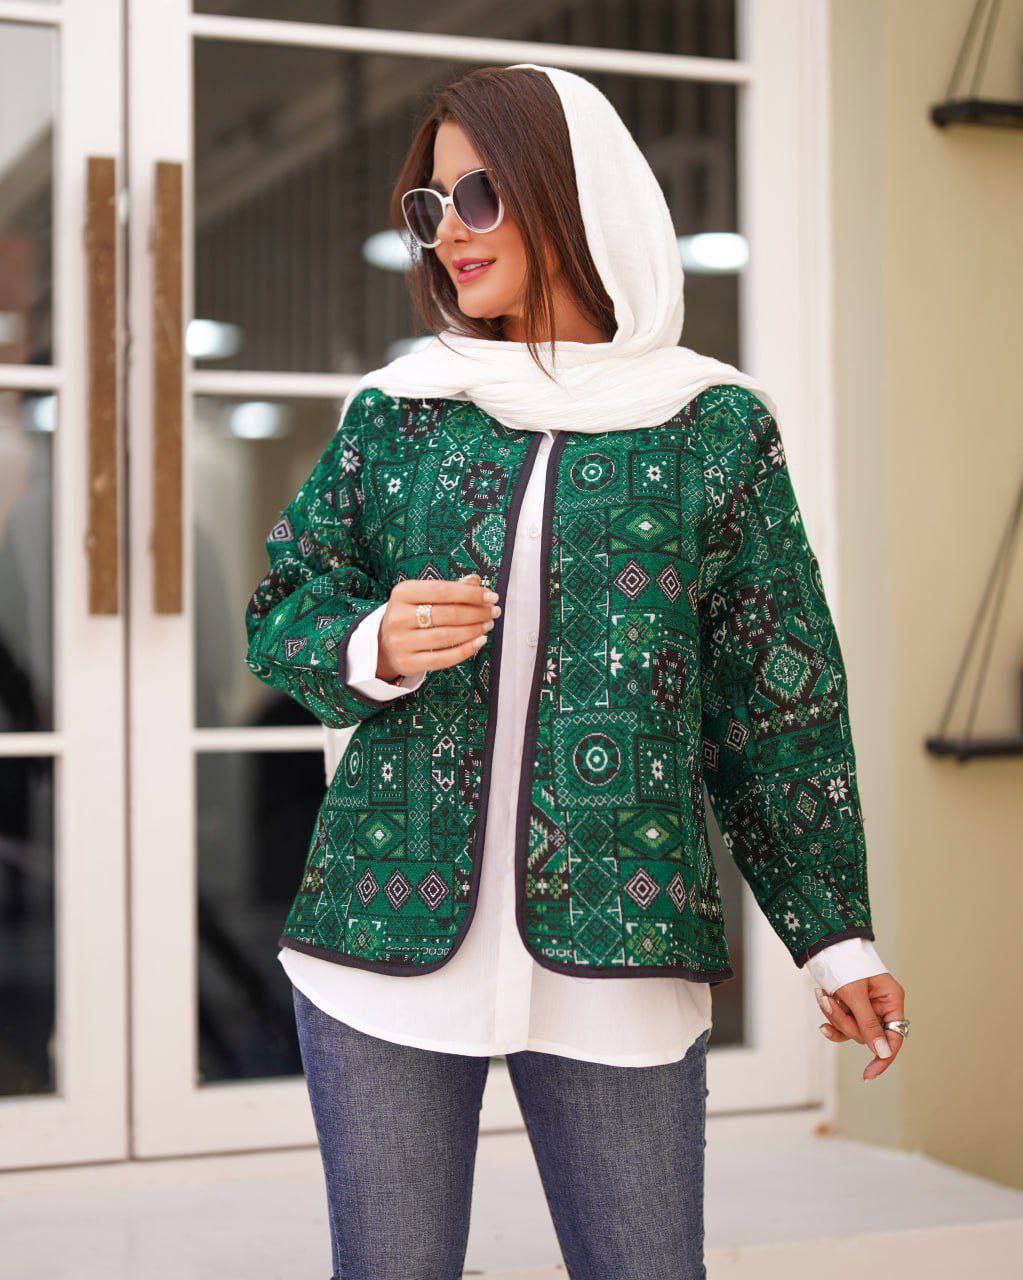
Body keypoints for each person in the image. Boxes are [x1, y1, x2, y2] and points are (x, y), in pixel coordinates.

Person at [243, 62, 908, 1280]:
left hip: (624, 942)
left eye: (479, 195)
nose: (448, 232)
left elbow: (778, 699)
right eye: (429, 206)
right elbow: (284, 602)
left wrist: (835, 935)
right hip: (381, 933)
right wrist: (371, 642)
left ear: (570, 186)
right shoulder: (400, 411)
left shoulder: (713, 426)